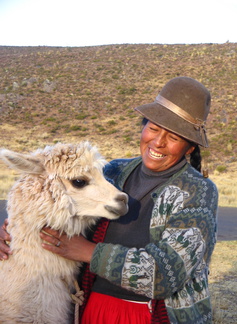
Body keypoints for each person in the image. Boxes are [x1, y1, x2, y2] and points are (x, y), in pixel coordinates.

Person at [0, 76, 218, 324]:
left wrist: (89, 252)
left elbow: (166, 275)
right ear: (143, 127)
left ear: (189, 148)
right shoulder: (114, 171)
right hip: (92, 308)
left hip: (150, 314)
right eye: (154, 129)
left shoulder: (197, 192)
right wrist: (13, 235)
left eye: (174, 137)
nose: (158, 142)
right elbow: (57, 206)